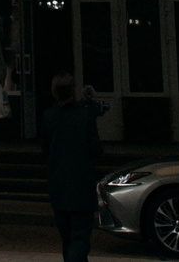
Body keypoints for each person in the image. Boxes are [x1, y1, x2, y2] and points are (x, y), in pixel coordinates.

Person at [41, 73, 106, 262]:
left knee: (67, 237)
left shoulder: (48, 116)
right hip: (81, 184)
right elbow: (96, 149)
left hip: (59, 185)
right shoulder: (84, 115)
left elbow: (45, 148)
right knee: (80, 237)